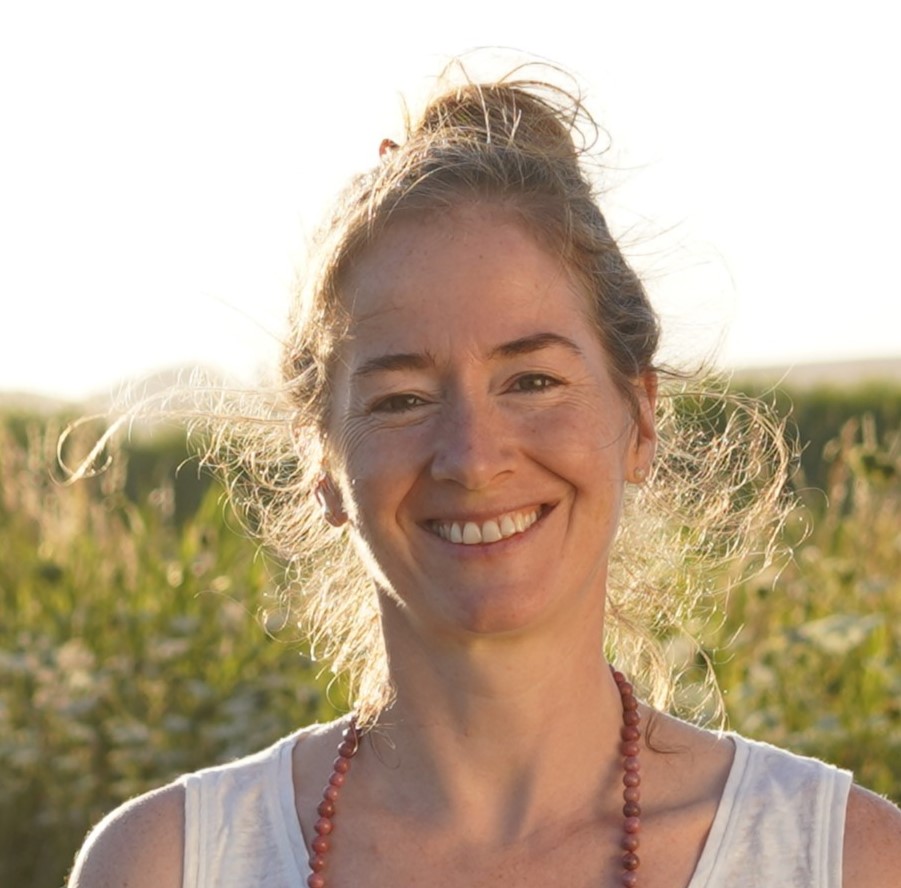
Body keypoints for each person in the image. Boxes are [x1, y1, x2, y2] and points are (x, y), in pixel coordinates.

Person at [69, 65, 901, 888]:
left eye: (531, 381)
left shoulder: (844, 861)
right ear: (320, 459)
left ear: (640, 418)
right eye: (401, 399)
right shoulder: (166, 865)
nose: (471, 458)